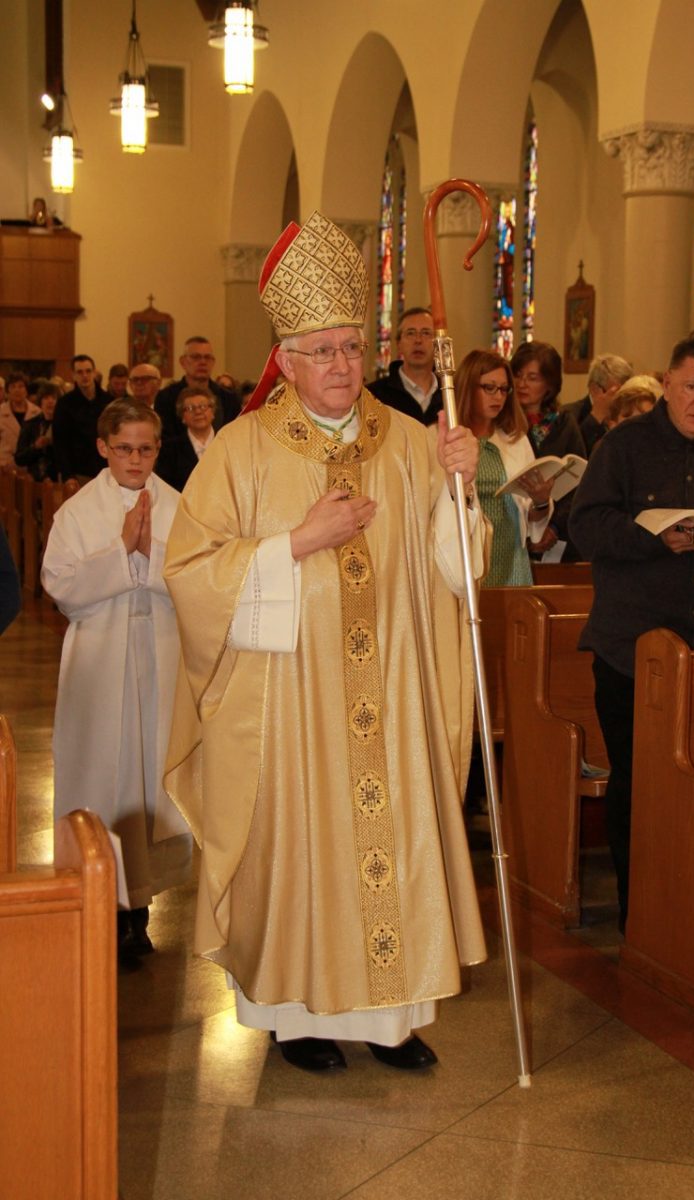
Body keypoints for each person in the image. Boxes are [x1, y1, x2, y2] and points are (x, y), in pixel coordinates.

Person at [163, 210, 487, 1075]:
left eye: (350, 347)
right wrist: (296, 544)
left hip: (393, 692)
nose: (342, 365)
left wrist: (462, 490)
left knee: (393, 848)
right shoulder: (241, 450)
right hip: (289, 704)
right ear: (287, 360)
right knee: (302, 852)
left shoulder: (412, 442)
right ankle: (295, 1016)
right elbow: (189, 571)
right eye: (322, 351)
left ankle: (392, 1022)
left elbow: (458, 571)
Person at [569, 328, 694, 930]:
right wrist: (653, 535)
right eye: (692, 386)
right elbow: (587, 527)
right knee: (638, 784)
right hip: (630, 649)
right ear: (667, 383)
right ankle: (642, 914)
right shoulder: (624, 446)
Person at [42, 399, 191, 961]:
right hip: (100, 661)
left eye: (146, 449)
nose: (135, 459)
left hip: (160, 657)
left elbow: (199, 578)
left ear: (158, 448)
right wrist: (120, 549)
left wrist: (153, 551)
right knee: (101, 776)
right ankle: (100, 899)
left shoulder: (179, 504)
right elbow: (60, 585)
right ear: (103, 447)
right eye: (124, 448)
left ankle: (139, 909)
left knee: (148, 781)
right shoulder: (77, 512)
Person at [455, 348, 550, 586]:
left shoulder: (516, 440)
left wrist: (541, 500)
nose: (498, 397)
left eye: (504, 389)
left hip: (511, 558)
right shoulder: (443, 438)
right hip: (464, 556)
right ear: (467, 387)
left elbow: (529, 519)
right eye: (489, 387)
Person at [510, 341, 586, 560]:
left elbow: (579, 480)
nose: (522, 384)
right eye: (518, 375)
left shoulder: (564, 423)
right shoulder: (504, 424)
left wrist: (554, 526)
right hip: (514, 529)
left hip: (558, 535)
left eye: (532, 378)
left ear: (549, 385)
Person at [367, 307, 443, 425]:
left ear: (437, 343)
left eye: (426, 333)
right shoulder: (373, 395)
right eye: (410, 333)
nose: (418, 340)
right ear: (399, 344)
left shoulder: (450, 394)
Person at [155, 337, 239, 441]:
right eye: (196, 357)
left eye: (207, 357)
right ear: (183, 362)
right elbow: (165, 438)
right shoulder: (165, 397)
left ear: (213, 362)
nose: (203, 362)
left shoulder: (229, 399)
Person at [52, 353, 112, 481]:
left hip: (107, 469)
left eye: (88, 371)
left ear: (94, 373)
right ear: (73, 375)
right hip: (78, 471)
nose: (85, 375)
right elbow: (60, 442)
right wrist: (67, 475)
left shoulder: (108, 401)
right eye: (80, 372)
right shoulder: (65, 404)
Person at [565, 353, 633, 455]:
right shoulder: (569, 416)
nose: (622, 401)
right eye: (617, 393)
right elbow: (572, 455)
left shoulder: (628, 415)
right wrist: (596, 416)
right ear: (594, 389)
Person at [157, 387, 216, 492]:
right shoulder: (169, 450)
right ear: (182, 417)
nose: (198, 411)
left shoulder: (227, 443)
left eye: (203, 406)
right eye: (190, 408)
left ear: (213, 412)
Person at [14, 381, 59, 481]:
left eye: (53, 398)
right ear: (40, 402)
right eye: (46, 398)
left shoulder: (64, 425)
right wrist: (35, 447)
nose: (50, 402)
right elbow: (19, 458)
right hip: (35, 480)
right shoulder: (30, 424)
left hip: (58, 480)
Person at [0, 372, 40, 467]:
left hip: (30, 466)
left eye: (21, 386)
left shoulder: (37, 412)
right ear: (7, 391)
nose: (17, 390)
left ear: (26, 390)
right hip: (5, 466)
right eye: (13, 387)